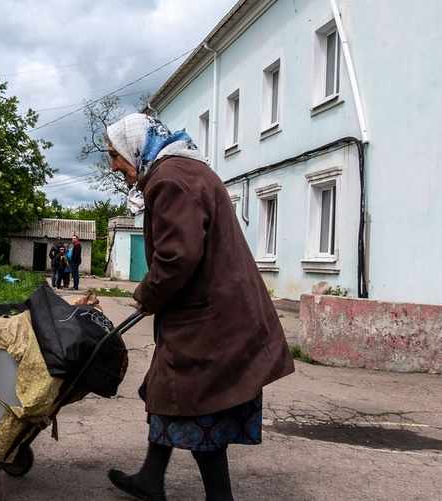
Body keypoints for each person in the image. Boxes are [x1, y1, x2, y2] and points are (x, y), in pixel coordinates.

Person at [104, 113, 295, 501]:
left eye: (115, 156)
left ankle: (218, 497)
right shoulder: (185, 171)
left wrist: (146, 294)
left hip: (213, 320)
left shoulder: (170, 179)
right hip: (215, 311)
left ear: (134, 149)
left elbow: (177, 257)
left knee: (196, 402)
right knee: (164, 390)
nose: (114, 167)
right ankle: (150, 479)